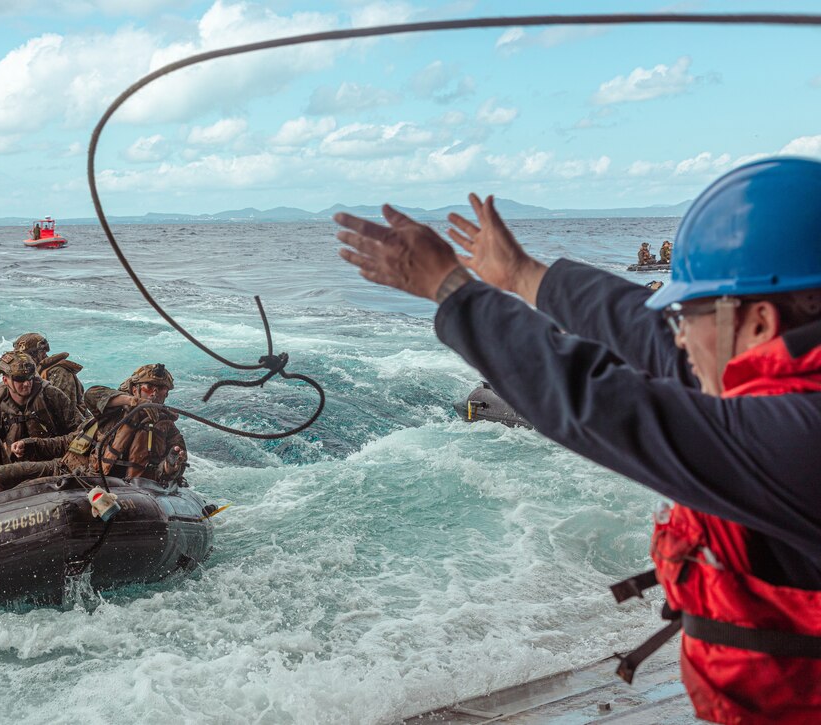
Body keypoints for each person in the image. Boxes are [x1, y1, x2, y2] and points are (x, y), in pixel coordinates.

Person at [335, 157, 821, 724]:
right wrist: (521, 276)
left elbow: (599, 402)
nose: (680, 335)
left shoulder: (797, 444)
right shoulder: (787, 402)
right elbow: (649, 336)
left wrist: (453, 291)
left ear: (759, 322)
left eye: (688, 311)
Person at [0, 363, 186, 487]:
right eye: (148, 388)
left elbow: (167, 474)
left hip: (104, 486)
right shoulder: (113, 411)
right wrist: (31, 444)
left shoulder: (168, 430)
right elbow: (91, 397)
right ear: (135, 389)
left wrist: (170, 466)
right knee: (2, 475)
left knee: (28, 488)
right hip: (66, 468)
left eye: (161, 389)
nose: (154, 394)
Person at [0, 351, 83, 459]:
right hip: (17, 466)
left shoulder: (51, 395)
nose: (26, 383)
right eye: (20, 379)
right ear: (5, 380)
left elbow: (81, 432)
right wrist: (7, 448)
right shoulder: (0, 407)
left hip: (57, 461)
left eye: (30, 376)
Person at [13, 332, 87, 416]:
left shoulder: (60, 373)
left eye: (24, 357)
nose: (21, 362)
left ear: (41, 353)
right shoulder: (32, 373)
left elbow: (63, 409)